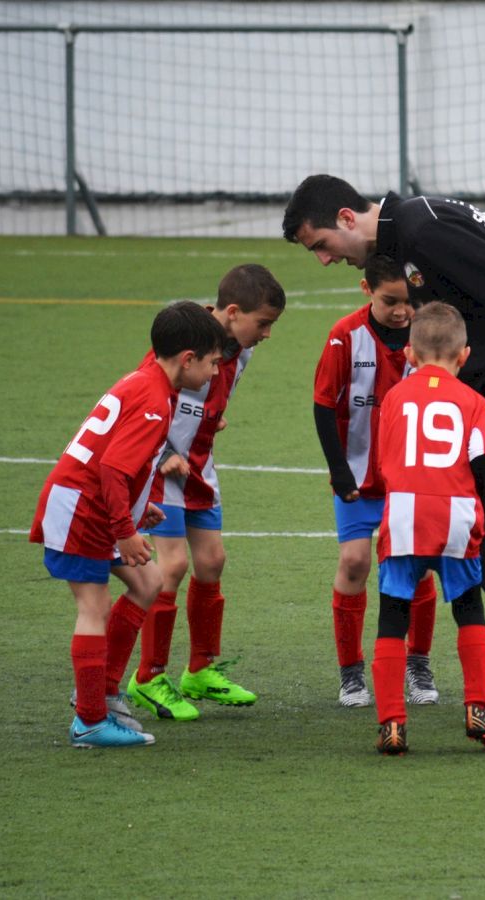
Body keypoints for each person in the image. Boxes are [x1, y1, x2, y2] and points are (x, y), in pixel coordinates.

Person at [283, 174, 485, 724]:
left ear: (344, 218)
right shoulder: (409, 232)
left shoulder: (421, 231)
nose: (324, 260)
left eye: (321, 246)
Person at [30, 301, 226, 748]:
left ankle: (106, 690)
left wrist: (139, 512)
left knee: (148, 581)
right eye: (213, 363)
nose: (216, 373)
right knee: (93, 608)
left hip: (95, 505)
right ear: (188, 359)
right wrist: (125, 529)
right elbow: (112, 471)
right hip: (83, 509)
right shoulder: (156, 400)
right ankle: (90, 720)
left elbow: (119, 464)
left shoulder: (150, 384)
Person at [126, 265, 286, 722]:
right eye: (263, 323)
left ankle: (200, 669)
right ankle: (148, 677)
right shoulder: (185, 336)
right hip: (163, 466)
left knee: (212, 561)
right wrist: (160, 457)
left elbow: (209, 399)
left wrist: (211, 420)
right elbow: (144, 396)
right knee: (171, 566)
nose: (268, 334)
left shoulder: (241, 351)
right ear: (232, 313)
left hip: (198, 466)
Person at [370, 301, 485, 754]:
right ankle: (478, 708)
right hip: (455, 514)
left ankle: (391, 722)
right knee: (469, 609)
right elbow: (481, 463)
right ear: (464, 356)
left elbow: (385, 461)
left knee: (393, 617)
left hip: (405, 512)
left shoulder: (394, 398)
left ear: (409, 355)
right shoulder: (475, 402)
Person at [313, 254, 440, 708]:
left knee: (418, 566)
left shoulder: (426, 340)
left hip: (410, 478)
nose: (403, 311)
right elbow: (324, 406)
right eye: (391, 302)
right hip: (357, 477)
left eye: (409, 301)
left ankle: (418, 663)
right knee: (354, 563)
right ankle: (351, 674)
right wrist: (340, 468)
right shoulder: (344, 336)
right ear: (367, 291)